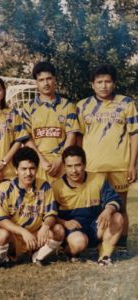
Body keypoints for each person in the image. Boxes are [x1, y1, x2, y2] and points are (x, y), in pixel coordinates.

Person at [77, 64, 138, 248]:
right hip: (92, 167)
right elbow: (79, 137)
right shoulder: (83, 106)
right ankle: (97, 243)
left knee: (121, 206)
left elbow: (134, 134)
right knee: (96, 208)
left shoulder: (126, 103)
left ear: (114, 83)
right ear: (92, 84)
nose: (104, 85)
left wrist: (133, 165)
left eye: (108, 81)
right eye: (99, 82)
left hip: (120, 165)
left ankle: (121, 244)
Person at [52, 145, 123, 265]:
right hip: (72, 231)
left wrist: (108, 210)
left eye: (78, 165)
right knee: (79, 242)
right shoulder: (56, 186)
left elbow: (114, 199)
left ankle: (104, 255)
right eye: (69, 166)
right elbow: (48, 215)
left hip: (95, 226)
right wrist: (64, 223)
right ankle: (67, 251)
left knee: (118, 218)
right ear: (64, 166)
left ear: (84, 164)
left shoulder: (98, 179)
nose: (74, 170)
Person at [0, 147, 64, 265]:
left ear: (36, 169)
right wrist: (23, 232)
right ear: (16, 170)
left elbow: (51, 214)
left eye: (32, 169)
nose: (28, 173)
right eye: (24, 169)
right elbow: (2, 220)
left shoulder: (44, 186)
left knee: (58, 230)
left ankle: (37, 257)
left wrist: (45, 226)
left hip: (36, 236)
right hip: (14, 237)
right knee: (1, 235)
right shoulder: (4, 188)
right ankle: (6, 260)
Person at [22, 62, 80, 183]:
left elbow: (71, 135)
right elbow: (27, 138)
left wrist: (60, 159)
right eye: (41, 80)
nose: (46, 83)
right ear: (36, 83)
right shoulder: (28, 107)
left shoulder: (67, 106)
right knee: (40, 200)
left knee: (64, 200)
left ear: (55, 79)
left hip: (63, 163)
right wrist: (41, 160)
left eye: (49, 78)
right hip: (38, 164)